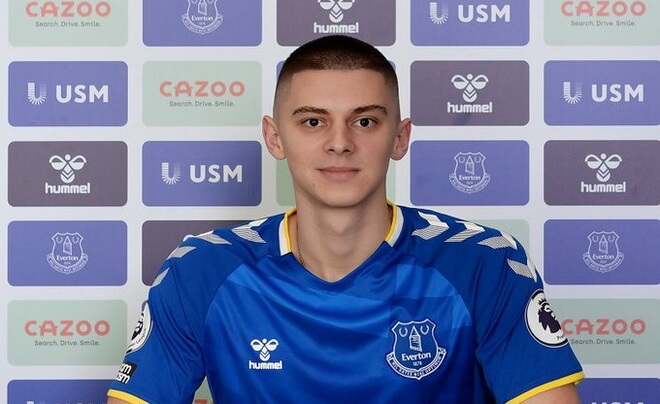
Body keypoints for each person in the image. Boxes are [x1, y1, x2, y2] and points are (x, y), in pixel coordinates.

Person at [107, 35, 583, 403]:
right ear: (275, 138)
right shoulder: (202, 269)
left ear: (400, 138)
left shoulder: (483, 263)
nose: (340, 143)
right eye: (313, 121)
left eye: (365, 121)